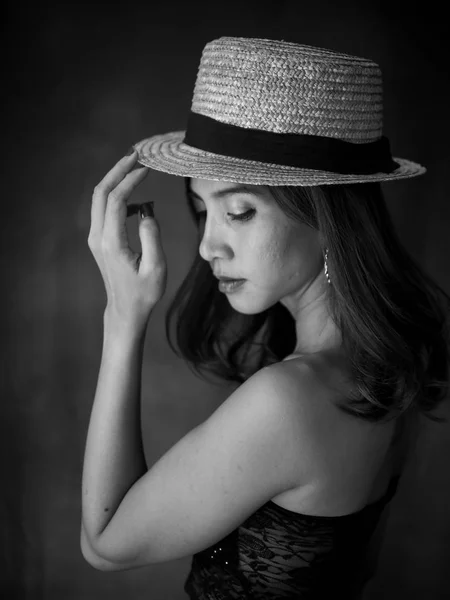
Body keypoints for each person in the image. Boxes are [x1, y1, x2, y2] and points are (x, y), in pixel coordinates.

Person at [80, 36, 450, 598]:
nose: (208, 248)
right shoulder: (388, 368)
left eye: (240, 211)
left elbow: (103, 544)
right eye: (203, 211)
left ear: (326, 216)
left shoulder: (289, 399)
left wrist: (123, 318)